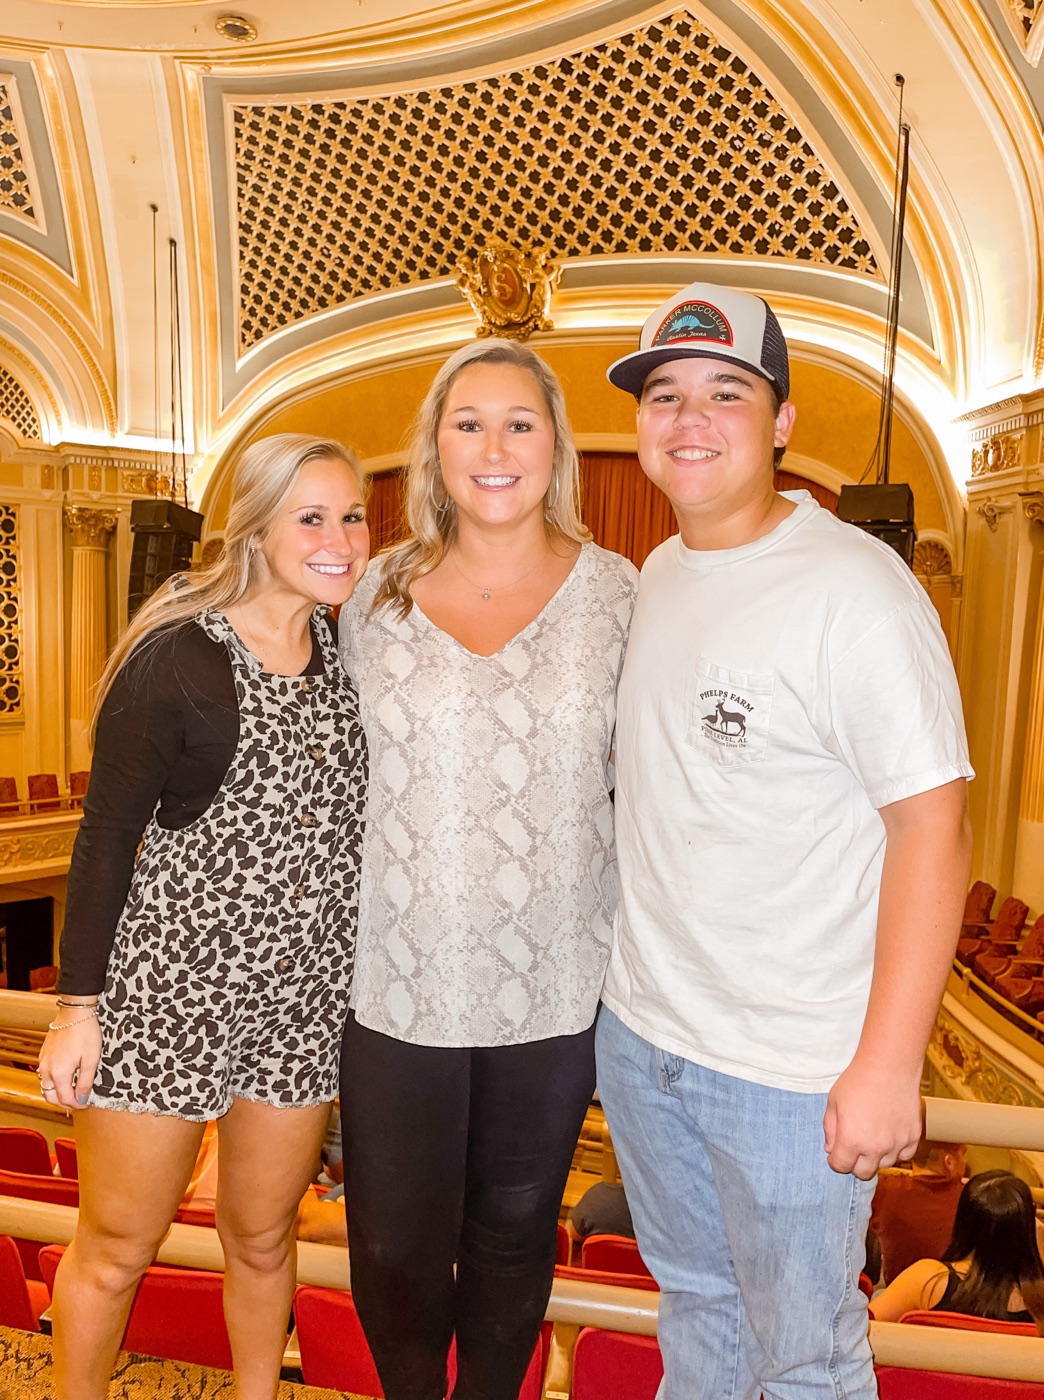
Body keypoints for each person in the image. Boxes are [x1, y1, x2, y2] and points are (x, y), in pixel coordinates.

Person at [594, 281, 974, 1400]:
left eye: (726, 391)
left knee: (809, 1362)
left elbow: (934, 828)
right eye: (665, 394)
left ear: (783, 421)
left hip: (788, 1073)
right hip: (648, 1041)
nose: (690, 419)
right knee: (699, 1310)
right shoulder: (660, 572)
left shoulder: (859, 593)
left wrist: (889, 1060)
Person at [37, 434, 370, 1400]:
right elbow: (103, 842)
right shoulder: (179, 658)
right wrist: (78, 1006)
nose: (341, 539)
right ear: (257, 529)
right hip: (170, 996)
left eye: (351, 515)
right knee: (117, 1246)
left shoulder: (351, 650)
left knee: (264, 1237)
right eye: (311, 517)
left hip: (302, 1005)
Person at [339, 337, 637, 1400]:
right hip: (394, 986)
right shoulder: (371, 593)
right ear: (434, 445)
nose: (495, 444)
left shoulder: (619, 592)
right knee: (392, 1252)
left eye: (520, 420)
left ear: (556, 443)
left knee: (514, 1244)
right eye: (469, 421)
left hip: (551, 989)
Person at [870, 1170, 1044, 1334]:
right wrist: (1039, 1252)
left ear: (963, 1221)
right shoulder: (1041, 1301)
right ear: (1028, 1228)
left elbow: (863, 1327)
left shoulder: (928, 1280)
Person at [870, 1137, 968, 1283]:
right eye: (962, 1155)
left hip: (898, 1297)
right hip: (954, 1299)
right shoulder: (969, 1198)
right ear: (949, 1162)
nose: (965, 1162)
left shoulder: (886, 1190)